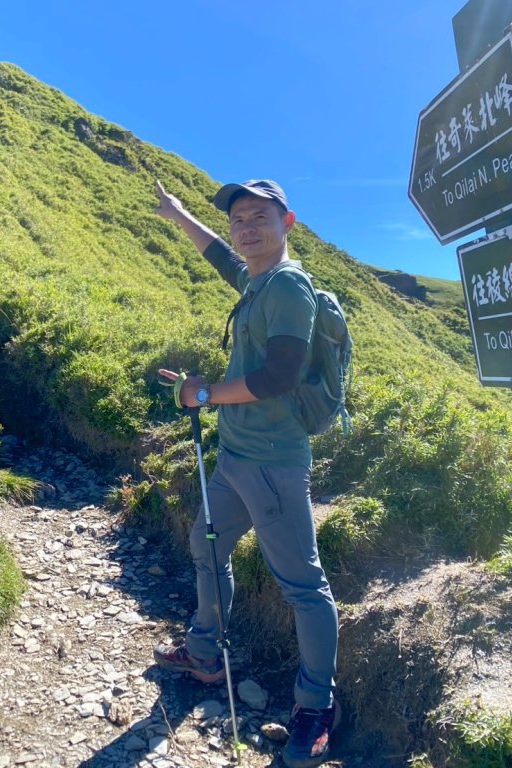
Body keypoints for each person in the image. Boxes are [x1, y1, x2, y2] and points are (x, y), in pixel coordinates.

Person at [152, 178, 340, 768]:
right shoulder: (257, 281)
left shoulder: (287, 288)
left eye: (260, 216)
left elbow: (277, 377)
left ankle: (315, 707)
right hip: (234, 457)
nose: (246, 227)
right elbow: (222, 258)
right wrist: (179, 215)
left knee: (303, 589)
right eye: (239, 219)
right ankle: (206, 654)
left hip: (273, 464)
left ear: (288, 223)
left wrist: (202, 393)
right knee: (204, 547)